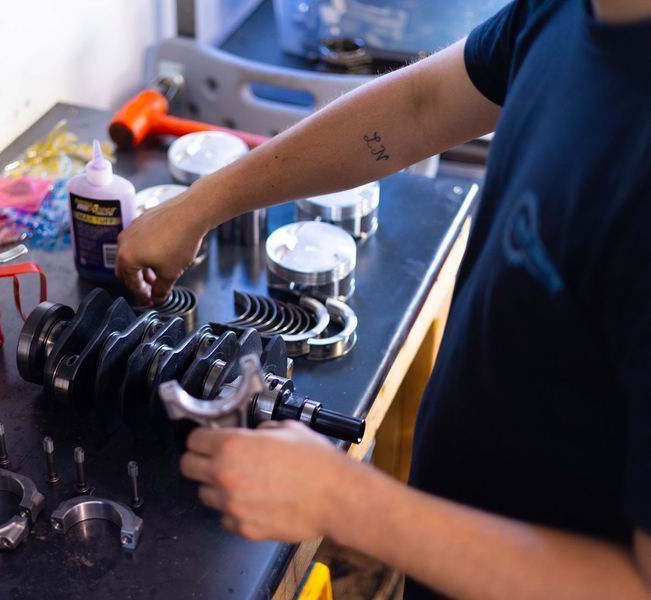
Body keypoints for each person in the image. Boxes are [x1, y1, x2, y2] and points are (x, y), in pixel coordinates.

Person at [116, 0, 651, 597]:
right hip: (452, 549)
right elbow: (420, 105)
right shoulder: (567, 11)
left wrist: (350, 504)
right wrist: (201, 204)